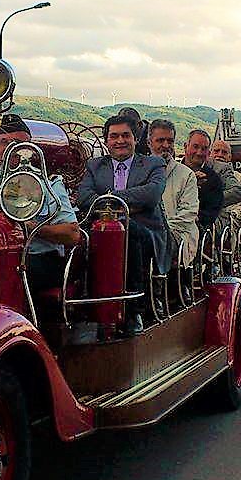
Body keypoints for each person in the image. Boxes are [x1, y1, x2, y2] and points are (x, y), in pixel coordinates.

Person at [0, 114, 81, 292]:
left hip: (38, 258)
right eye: (4, 142)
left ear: (30, 147)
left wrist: (29, 228)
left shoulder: (50, 183)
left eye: (17, 142)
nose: (11, 148)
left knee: (2, 272)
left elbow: (72, 234)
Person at [77, 114, 167, 335]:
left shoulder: (153, 163)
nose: (120, 141)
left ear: (135, 138)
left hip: (144, 229)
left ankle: (134, 309)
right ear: (106, 141)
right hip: (101, 227)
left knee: (129, 233)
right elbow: (83, 197)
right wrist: (124, 204)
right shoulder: (94, 166)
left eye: (126, 135)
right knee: (76, 239)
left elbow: (151, 195)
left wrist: (110, 198)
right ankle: (88, 304)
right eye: (114, 136)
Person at [148, 119, 199, 265]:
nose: (166, 145)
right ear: (149, 143)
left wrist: (160, 232)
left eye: (170, 141)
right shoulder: (138, 172)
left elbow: (188, 213)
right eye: (160, 140)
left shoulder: (186, 175)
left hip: (178, 236)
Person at [182, 130, 225, 231]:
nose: (199, 153)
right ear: (185, 146)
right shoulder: (172, 172)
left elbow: (211, 213)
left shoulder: (213, 180)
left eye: (204, 149)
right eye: (195, 147)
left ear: (209, 153)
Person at [210, 139, 241, 221]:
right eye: (216, 151)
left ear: (230, 157)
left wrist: (233, 214)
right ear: (210, 154)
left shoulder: (240, 178)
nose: (220, 155)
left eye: (224, 152)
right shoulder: (201, 174)